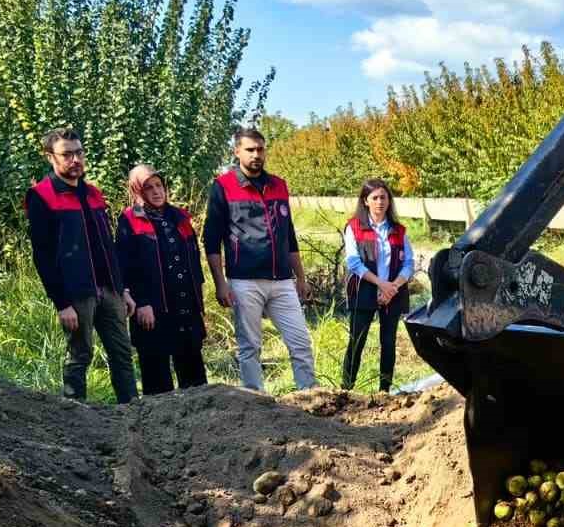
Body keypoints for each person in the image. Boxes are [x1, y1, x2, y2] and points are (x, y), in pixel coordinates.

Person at [24, 127, 138, 404]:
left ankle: (133, 412)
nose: (75, 160)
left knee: (122, 353)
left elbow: (108, 247)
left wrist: (122, 289)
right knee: (79, 355)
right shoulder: (40, 195)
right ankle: (75, 417)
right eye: (67, 155)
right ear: (50, 157)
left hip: (109, 289)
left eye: (79, 153)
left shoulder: (94, 193)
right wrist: (61, 303)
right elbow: (43, 254)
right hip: (76, 292)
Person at [201, 127, 317, 391]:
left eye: (260, 149)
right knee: (250, 346)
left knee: (300, 342)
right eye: (250, 150)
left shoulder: (278, 185)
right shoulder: (223, 187)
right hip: (244, 281)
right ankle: (256, 402)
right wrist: (221, 283)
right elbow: (211, 240)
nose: (256, 155)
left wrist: (300, 277)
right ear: (237, 151)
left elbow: (289, 234)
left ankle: (310, 396)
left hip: (282, 280)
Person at [117, 165, 209, 394]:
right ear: (136, 190)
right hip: (152, 309)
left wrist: (199, 303)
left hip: (185, 305)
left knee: (194, 376)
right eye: (148, 187)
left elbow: (193, 262)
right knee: (157, 377)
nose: (156, 191)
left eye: (159, 185)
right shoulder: (129, 220)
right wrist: (141, 302)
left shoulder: (180, 217)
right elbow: (125, 266)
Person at [341, 178, 414, 392]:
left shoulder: (399, 230)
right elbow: (353, 262)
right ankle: (346, 389)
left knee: (389, 343)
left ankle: (385, 392)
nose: (380, 202)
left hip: (393, 292)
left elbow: (409, 263)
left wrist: (393, 287)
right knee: (357, 342)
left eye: (384, 197)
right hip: (364, 291)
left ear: (389, 201)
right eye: (375, 198)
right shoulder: (354, 227)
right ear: (365, 201)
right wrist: (381, 284)